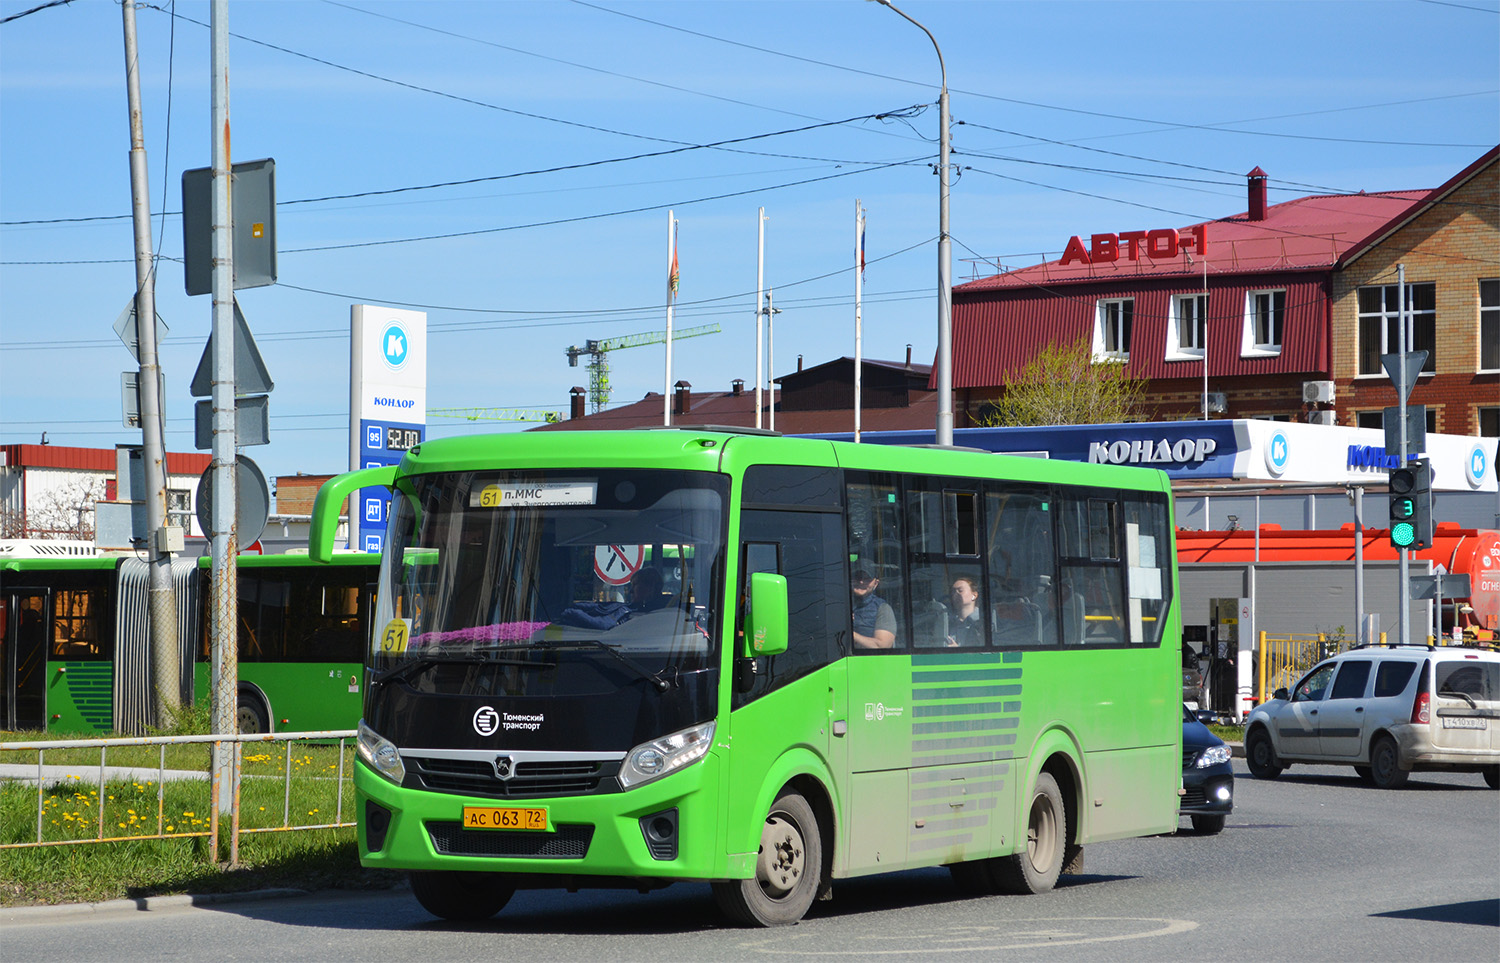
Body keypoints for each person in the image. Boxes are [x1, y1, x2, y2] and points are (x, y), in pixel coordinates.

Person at [850, 569, 896, 649]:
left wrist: (848, 631)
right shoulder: (838, 605)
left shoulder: (883, 608)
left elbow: (882, 646)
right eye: (857, 577)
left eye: (867, 579)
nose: (861, 582)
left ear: (875, 583)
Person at [946, 576, 985, 647]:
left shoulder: (984, 623)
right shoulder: (947, 624)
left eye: (960, 590)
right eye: (953, 592)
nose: (955, 594)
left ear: (974, 595)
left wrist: (957, 650)